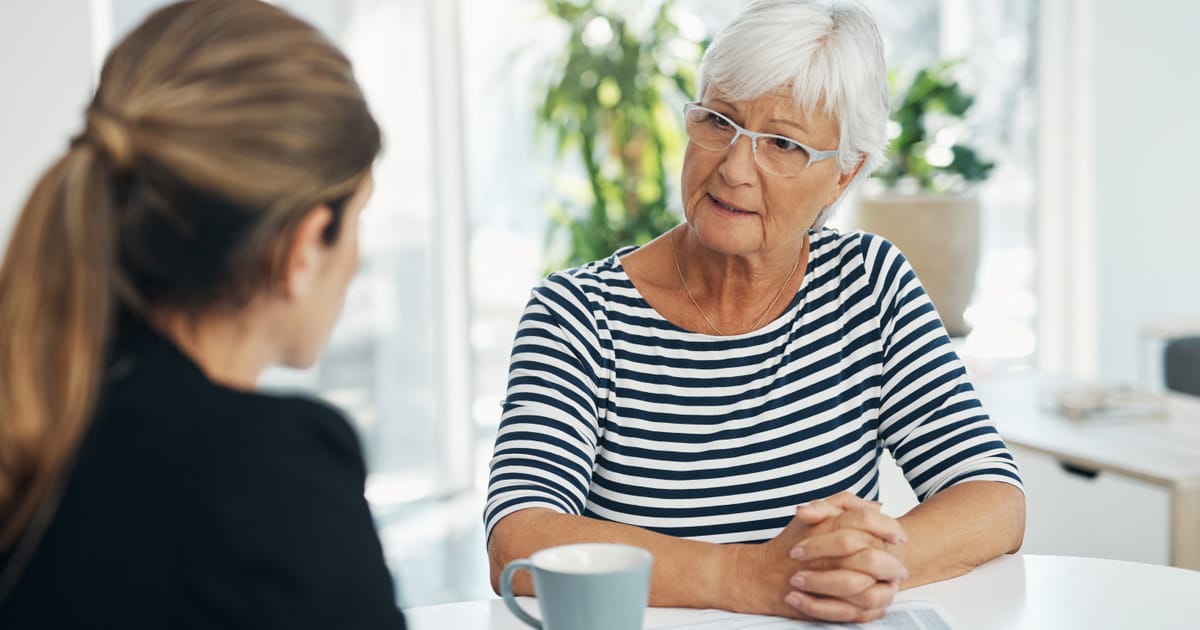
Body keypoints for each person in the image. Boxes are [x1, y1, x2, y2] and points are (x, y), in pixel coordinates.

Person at [485, 0, 1025, 623]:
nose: (735, 169)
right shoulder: (578, 314)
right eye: (718, 121)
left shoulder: (869, 286)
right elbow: (518, 537)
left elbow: (993, 497)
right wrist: (745, 575)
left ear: (842, 179)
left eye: (783, 145)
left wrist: (866, 564)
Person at [0, 1, 405, 627]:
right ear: (303, 246)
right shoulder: (271, 480)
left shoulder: (35, 423)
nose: (356, 259)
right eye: (357, 220)